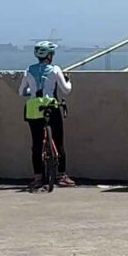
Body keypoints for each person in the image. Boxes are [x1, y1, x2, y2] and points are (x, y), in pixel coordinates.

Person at [18, 41, 75, 188]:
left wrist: (31, 92)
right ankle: (62, 176)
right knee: (58, 141)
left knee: (36, 144)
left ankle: (38, 177)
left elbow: (21, 92)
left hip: (33, 110)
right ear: (49, 55)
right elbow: (66, 90)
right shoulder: (55, 70)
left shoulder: (28, 70)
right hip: (51, 107)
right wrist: (69, 81)